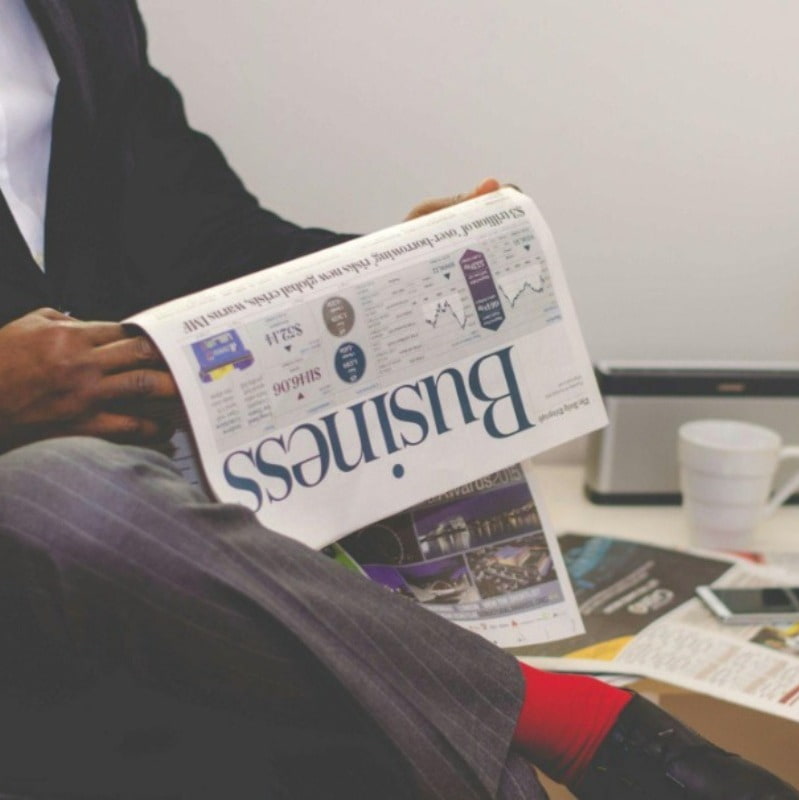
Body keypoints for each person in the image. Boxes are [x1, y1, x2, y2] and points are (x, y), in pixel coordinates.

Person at [0, 2, 796, 798]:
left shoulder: (83, 13)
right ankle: (598, 731)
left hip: (161, 529)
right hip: (56, 529)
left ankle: (592, 742)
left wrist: (395, 266)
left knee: (376, 705)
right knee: (62, 490)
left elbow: (208, 238)